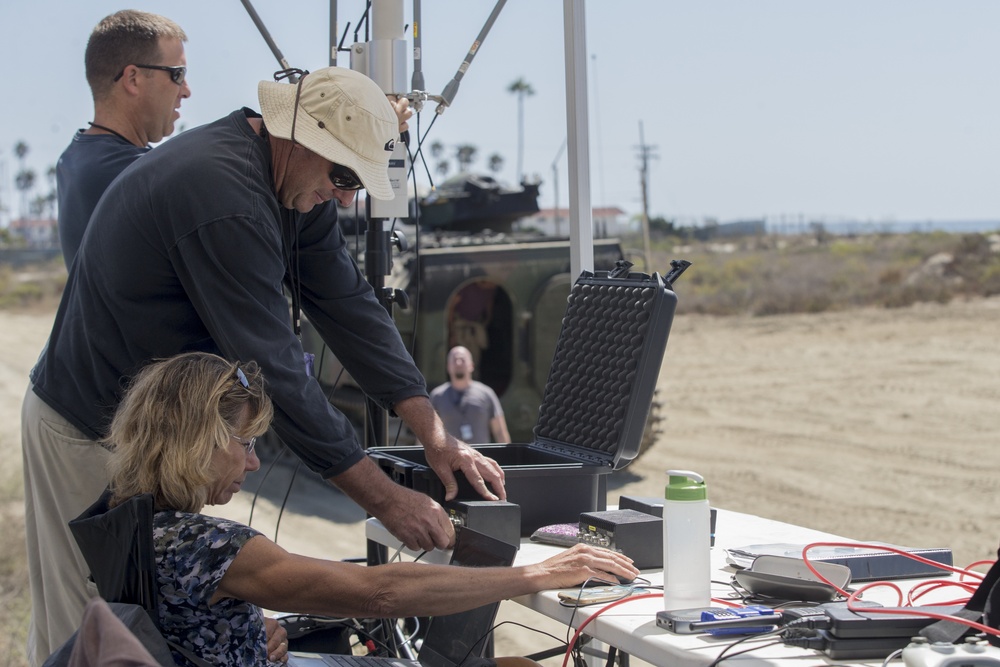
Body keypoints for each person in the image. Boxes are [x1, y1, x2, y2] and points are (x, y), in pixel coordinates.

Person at [22, 65, 503, 664]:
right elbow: (277, 369)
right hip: (88, 429)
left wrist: (435, 435)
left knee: (162, 630)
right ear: (300, 138)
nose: (348, 196)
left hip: (154, 431)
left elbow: (349, 305)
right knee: (97, 634)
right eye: (345, 174)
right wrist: (387, 500)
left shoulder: (293, 183)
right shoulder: (223, 195)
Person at [101, 352, 637, 667]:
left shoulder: (134, 519)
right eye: (243, 444)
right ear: (196, 442)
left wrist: (236, 633)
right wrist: (535, 574)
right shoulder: (210, 545)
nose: (255, 462)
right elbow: (378, 593)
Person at [57, 10, 191, 268]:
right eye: (178, 75)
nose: (186, 91)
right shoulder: (139, 174)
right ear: (132, 79)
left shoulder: (71, 159)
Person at [430, 346, 511, 443]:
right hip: (449, 457)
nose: (458, 363)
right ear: (448, 366)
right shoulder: (437, 396)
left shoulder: (486, 394)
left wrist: (507, 457)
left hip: (480, 456)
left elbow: (499, 432)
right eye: (454, 360)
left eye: (462, 360)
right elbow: (427, 431)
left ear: (471, 365)